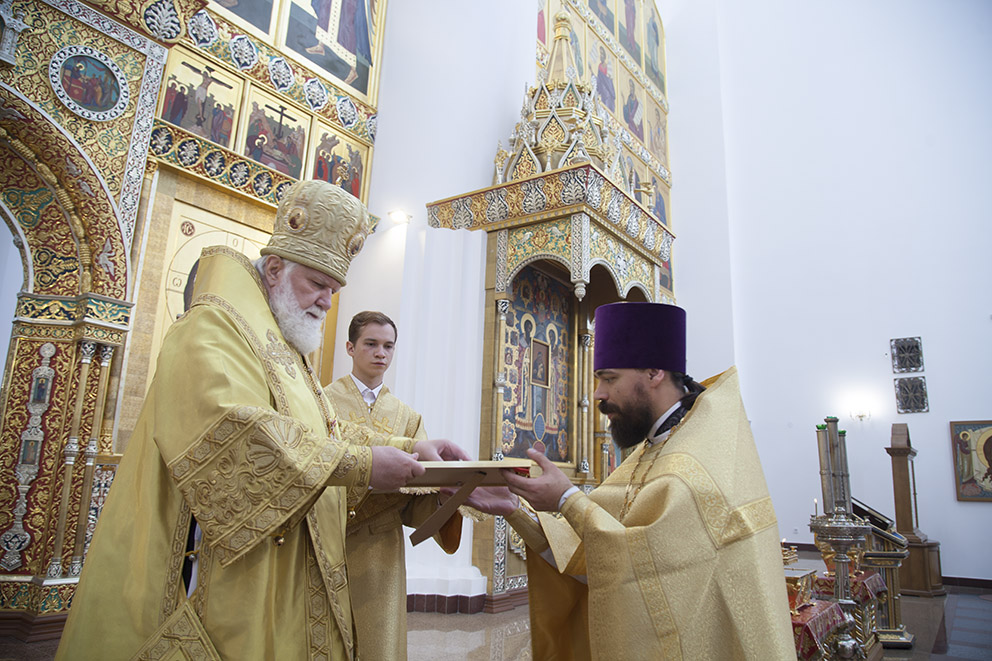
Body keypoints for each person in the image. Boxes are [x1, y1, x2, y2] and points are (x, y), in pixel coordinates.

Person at [56, 180, 467, 660]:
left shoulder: (283, 347)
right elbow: (240, 432)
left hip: (276, 573)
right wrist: (366, 465)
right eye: (318, 284)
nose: (327, 301)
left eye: (334, 290)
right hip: (209, 571)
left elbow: (320, 431)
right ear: (274, 269)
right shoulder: (211, 328)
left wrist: (411, 448)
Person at [465, 302, 795, 660]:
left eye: (609, 378)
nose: (598, 394)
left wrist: (565, 499)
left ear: (654, 372)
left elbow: (643, 573)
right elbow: (591, 557)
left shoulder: (698, 462)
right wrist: (514, 508)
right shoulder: (655, 446)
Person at [324, 311, 462, 661]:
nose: (380, 353)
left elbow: (417, 496)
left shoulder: (408, 417)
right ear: (350, 347)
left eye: (388, 346)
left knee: (379, 642)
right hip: (326, 538)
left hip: (381, 547)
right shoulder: (321, 402)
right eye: (371, 344)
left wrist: (445, 497)